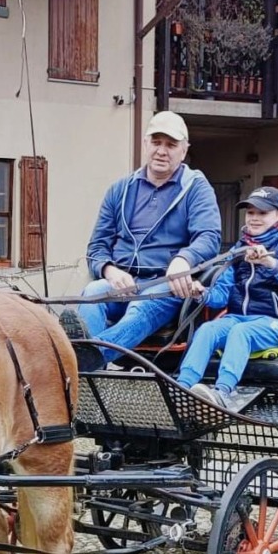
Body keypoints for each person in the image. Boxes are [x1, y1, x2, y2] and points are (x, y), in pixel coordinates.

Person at [59, 111, 221, 371]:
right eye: (156, 142)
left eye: (171, 145)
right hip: (121, 282)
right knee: (91, 294)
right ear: (146, 144)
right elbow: (97, 247)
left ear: (184, 150)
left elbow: (209, 237)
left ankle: (85, 358)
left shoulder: (197, 189)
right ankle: (91, 375)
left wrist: (183, 259)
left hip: (165, 284)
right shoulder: (119, 190)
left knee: (140, 307)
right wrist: (110, 271)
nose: (161, 151)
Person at [175, 185, 278, 411]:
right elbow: (221, 296)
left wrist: (270, 262)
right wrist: (201, 293)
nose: (254, 218)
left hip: (271, 323)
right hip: (236, 317)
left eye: (262, 213)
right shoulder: (239, 250)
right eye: (250, 212)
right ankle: (182, 387)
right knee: (208, 329)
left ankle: (223, 392)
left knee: (240, 332)